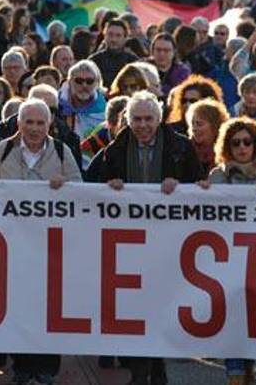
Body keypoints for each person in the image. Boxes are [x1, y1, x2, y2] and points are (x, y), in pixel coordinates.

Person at [95, 91, 205, 385]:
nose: (143, 125)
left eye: (148, 119)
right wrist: (109, 185)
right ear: (128, 120)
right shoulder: (114, 150)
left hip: (169, 241)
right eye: (137, 119)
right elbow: (93, 187)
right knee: (135, 309)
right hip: (128, 242)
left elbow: (200, 185)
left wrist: (180, 185)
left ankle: (155, 368)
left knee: (160, 306)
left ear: (159, 119)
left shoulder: (181, 147)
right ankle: (140, 371)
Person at [0, 99, 81, 384]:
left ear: (49, 125)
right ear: (19, 124)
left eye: (40, 123)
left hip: (50, 246)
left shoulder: (62, 151)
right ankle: (22, 366)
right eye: (29, 122)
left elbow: (81, 191)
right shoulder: (4, 149)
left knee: (49, 306)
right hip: (11, 243)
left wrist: (64, 185)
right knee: (17, 305)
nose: (35, 128)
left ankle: (47, 367)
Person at [199, 116, 256, 385]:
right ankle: (235, 374)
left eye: (247, 142)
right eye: (235, 142)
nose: (241, 147)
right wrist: (201, 193)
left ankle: (247, 367)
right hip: (228, 258)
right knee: (233, 317)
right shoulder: (218, 175)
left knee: (255, 317)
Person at [58, 60, 107, 166]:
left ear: (97, 83)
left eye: (89, 81)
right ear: (69, 82)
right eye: (79, 81)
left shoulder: (106, 110)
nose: (84, 85)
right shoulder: (58, 106)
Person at [90, 19, 141, 87]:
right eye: (110, 35)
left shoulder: (133, 61)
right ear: (104, 36)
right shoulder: (94, 61)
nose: (113, 39)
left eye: (118, 35)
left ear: (125, 38)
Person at [186, 98, 229, 172]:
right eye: (192, 124)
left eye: (199, 124)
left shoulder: (228, 150)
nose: (194, 128)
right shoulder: (185, 150)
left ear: (215, 126)